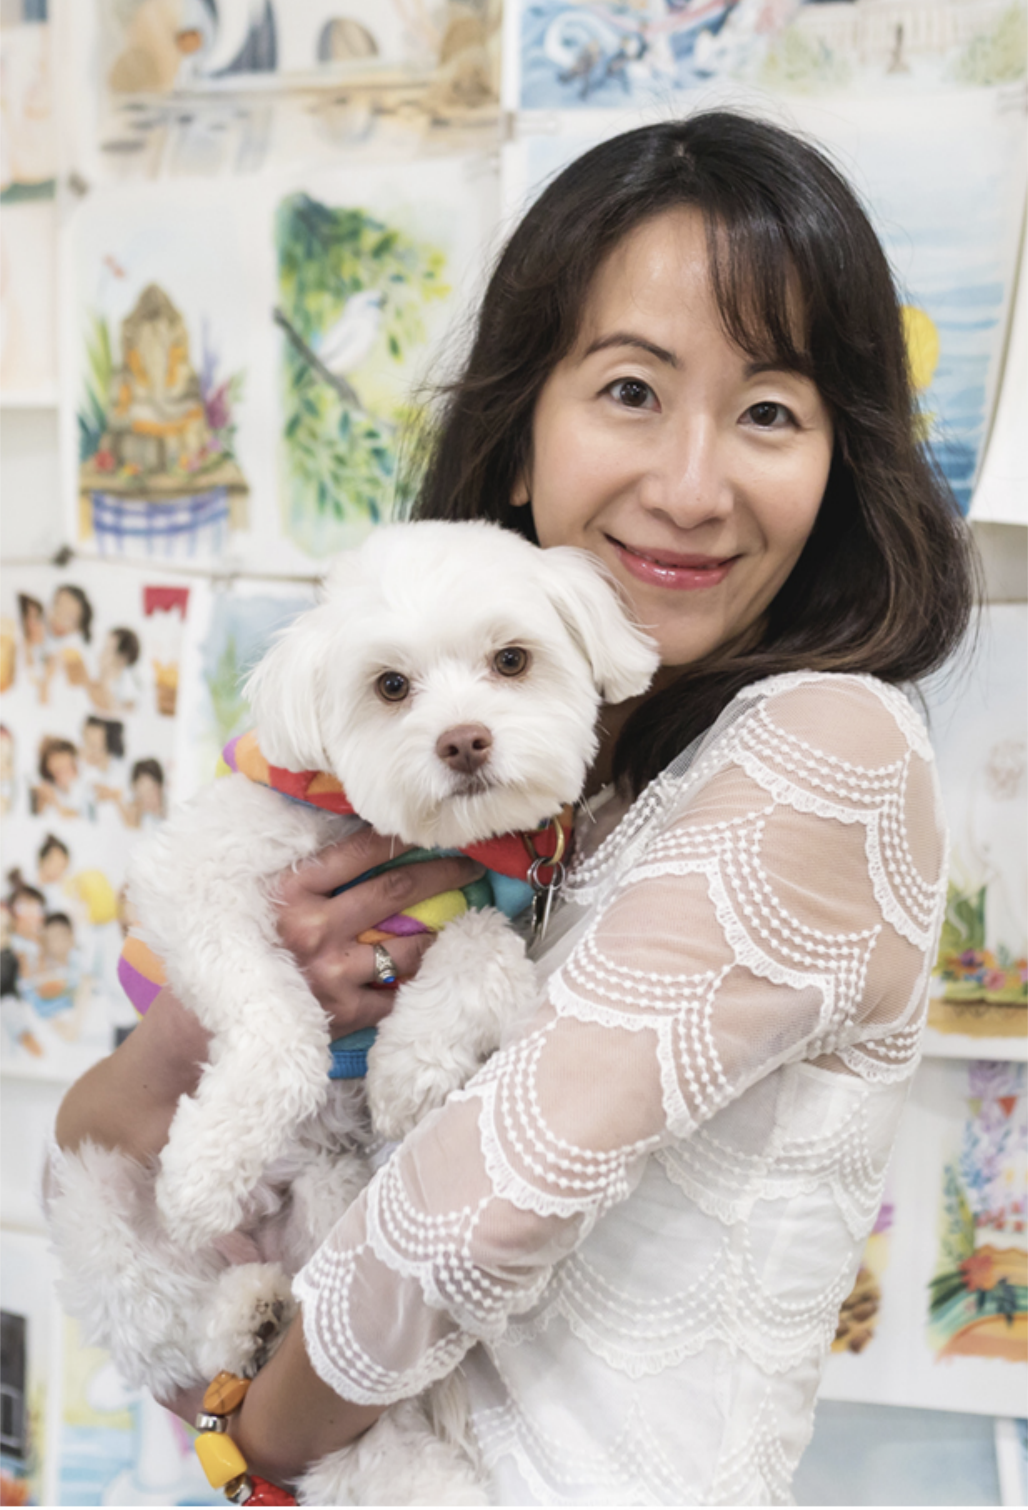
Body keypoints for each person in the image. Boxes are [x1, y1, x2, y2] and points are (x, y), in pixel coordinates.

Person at [53, 111, 975, 1504]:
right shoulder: (545, 785)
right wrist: (224, 1019)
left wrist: (247, 1441)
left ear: (841, 460)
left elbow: (466, 1221)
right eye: (631, 390)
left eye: (770, 412)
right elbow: (91, 1144)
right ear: (523, 433)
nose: (690, 487)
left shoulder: (824, 749)